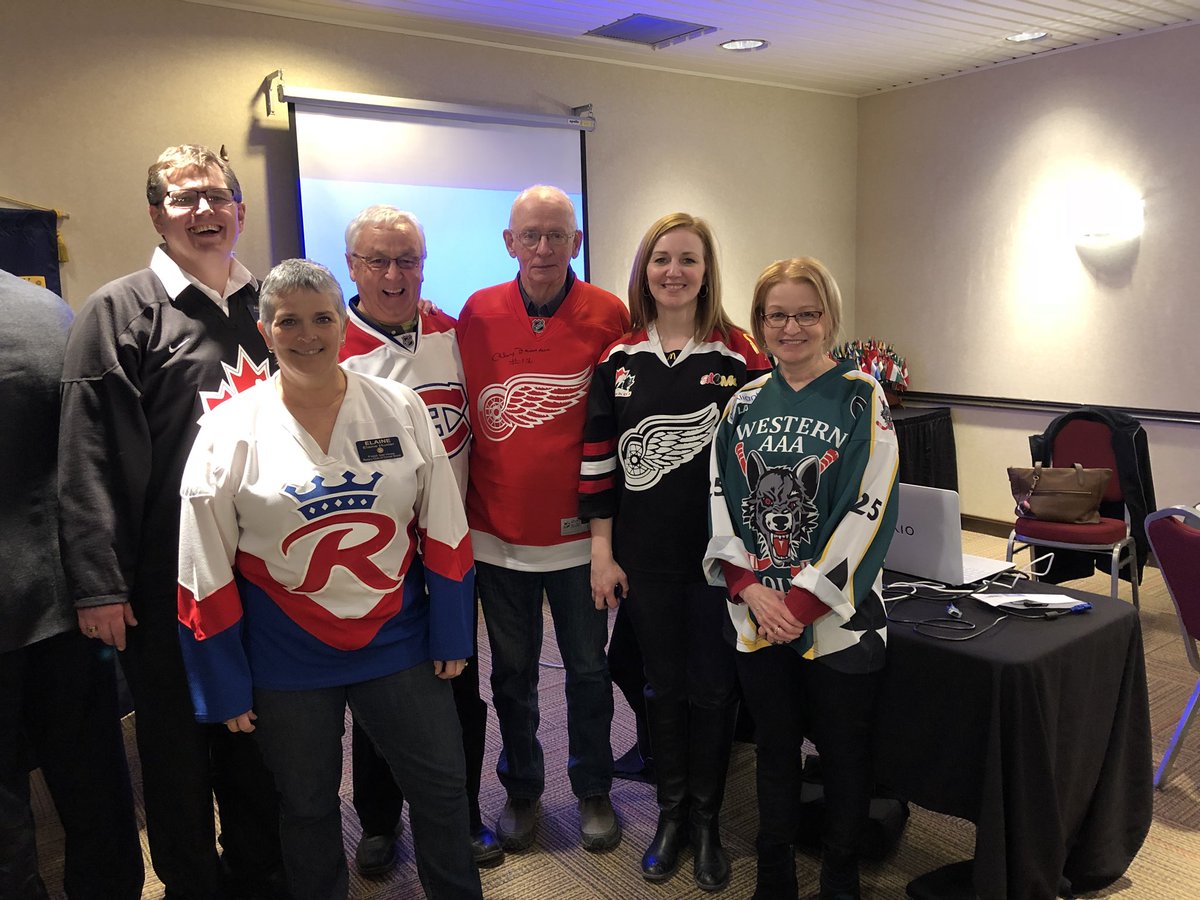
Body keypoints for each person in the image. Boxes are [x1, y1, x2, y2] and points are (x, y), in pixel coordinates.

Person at [176, 259, 483, 900]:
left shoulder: (397, 406)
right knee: (308, 804)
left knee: (441, 789)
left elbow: (445, 527)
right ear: (265, 330)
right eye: (289, 321)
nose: (307, 334)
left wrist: (453, 632)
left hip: (398, 640)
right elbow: (202, 562)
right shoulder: (228, 430)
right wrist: (224, 684)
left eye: (322, 318)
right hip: (283, 657)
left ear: (344, 324)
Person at [57, 144, 285, 899]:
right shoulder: (117, 313)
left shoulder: (272, 308)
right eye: (185, 199)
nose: (205, 212)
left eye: (217, 197)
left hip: (263, 576)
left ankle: (262, 877)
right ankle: (195, 886)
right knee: (179, 756)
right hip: (165, 588)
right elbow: (83, 460)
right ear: (156, 214)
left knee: (260, 745)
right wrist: (98, 587)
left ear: (240, 209)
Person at [580, 213, 771, 890]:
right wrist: (602, 553)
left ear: (706, 270)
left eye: (688, 259)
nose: (674, 271)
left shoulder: (740, 356)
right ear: (645, 269)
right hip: (645, 559)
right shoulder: (618, 358)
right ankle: (670, 816)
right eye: (662, 258)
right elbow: (598, 462)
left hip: (722, 564)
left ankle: (709, 820)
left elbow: (765, 463)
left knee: (715, 692)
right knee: (661, 688)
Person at [704, 257, 899, 900]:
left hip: (840, 621)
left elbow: (869, 509)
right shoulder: (742, 403)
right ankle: (775, 874)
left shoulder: (861, 395)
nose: (792, 327)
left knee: (844, 756)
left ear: (830, 320)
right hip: (759, 614)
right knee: (775, 752)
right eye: (777, 314)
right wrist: (751, 589)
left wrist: (802, 601)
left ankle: (840, 877)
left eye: (807, 313)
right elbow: (720, 501)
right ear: (759, 323)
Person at [457, 185, 630, 852]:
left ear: (576, 243)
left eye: (557, 234)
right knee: (512, 675)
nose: (543, 248)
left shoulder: (608, 314)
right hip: (497, 537)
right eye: (530, 235)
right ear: (509, 242)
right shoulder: (476, 313)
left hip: (584, 541)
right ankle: (522, 790)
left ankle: (593, 788)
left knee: (588, 671)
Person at [338, 204, 502, 872]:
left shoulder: (453, 334)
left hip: (452, 553)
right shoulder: (331, 347)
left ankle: (462, 815)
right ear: (352, 266)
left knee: (460, 688)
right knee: (379, 696)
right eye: (377, 259)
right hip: (375, 557)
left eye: (407, 259)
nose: (393, 273)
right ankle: (379, 823)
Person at [0, 269, 143, 900]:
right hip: (66, 590)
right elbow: (92, 456)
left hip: (58, 594)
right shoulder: (50, 311)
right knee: (94, 786)